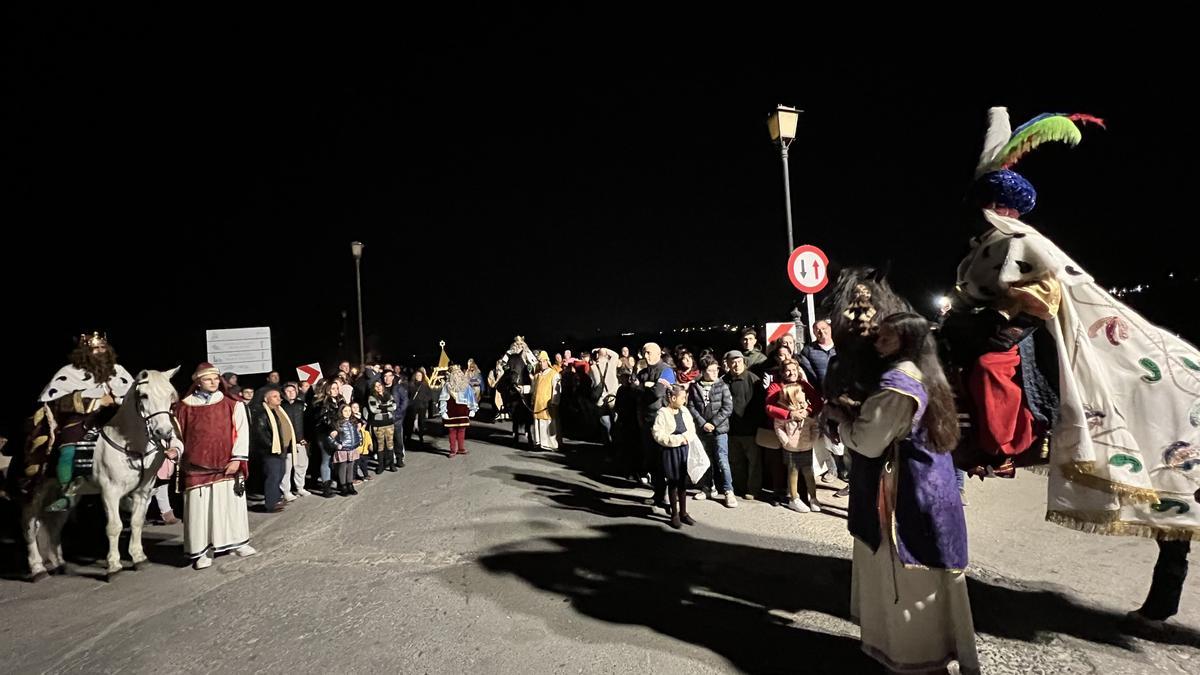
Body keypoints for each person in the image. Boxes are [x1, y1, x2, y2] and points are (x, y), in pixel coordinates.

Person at [825, 313, 977, 674]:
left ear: (906, 341)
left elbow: (869, 440)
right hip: (930, 480)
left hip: (903, 491)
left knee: (907, 578)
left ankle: (913, 658)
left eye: (887, 338)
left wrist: (841, 420)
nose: (878, 343)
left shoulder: (898, 383)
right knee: (929, 576)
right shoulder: (928, 371)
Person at [26, 332, 133, 511]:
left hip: (113, 418)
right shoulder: (69, 372)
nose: (99, 352)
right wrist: (96, 401)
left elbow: (133, 393)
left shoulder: (119, 371)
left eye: (102, 347)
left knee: (135, 444)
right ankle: (66, 493)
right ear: (85, 351)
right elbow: (56, 401)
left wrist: (118, 400)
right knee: (68, 450)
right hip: (80, 420)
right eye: (94, 349)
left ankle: (128, 492)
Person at [176, 363, 257, 570]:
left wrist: (237, 459)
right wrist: (174, 450)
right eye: (207, 379)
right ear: (198, 382)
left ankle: (238, 542)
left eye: (215, 378)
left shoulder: (232, 403)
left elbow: (242, 431)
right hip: (196, 468)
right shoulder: (184, 406)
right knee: (199, 512)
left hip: (226, 465)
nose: (212, 382)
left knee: (230, 507)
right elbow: (177, 435)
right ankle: (201, 551)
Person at [687, 355, 735, 508]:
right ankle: (707, 487)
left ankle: (728, 491)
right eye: (711, 370)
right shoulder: (695, 386)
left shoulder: (722, 386)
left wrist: (713, 423)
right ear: (703, 371)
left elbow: (727, 408)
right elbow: (691, 406)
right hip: (702, 430)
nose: (715, 373)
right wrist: (702, 423)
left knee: (722, 460)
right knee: (705, 460)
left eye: (716, 369)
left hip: (719, 429)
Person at [652, 384, 699, 529]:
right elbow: (658, 434)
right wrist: (676, 440)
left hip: (684, 449)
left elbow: (691, 428)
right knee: (673, 481)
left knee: (683, 482)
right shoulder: (663, 413)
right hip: (671, 451)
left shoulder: (684, 411)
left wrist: (686, 438)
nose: (684, 401)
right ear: (673, 398)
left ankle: (684, 512)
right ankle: (675, 514)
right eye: (682, 398)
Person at [773, 381, 822, 513]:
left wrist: (813, 439)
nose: (804, 393)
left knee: (809, 473)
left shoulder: (808, 410)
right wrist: (785, 441)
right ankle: (794, 498)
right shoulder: (784, 412)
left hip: (806, 446)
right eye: (801, 392)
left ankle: (813, 498)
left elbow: (815, 425)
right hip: (791, 448)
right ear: (793, 396)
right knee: (792, 473)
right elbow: (778, 427)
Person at [637, 343, 676, 508]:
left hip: (662, 422)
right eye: (644, 353)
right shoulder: (642, 372)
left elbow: (658, 392)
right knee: (652, 461)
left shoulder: (666, 370)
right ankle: (658, 493)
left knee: (665, 460)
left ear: (659, 353)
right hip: (646, 421)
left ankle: (670, 496)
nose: (647, 356)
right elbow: (636, 393)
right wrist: (646, 387)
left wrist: (645, 387)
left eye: (650, 353)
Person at [723, 350, 764, 501]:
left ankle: (753, 489)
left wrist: (755, 425)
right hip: (731, 429)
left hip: (750, 430)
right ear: (727, 364)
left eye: (739, 361)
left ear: (744, 362)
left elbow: (760, 406)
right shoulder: (723, 380)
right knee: (736, 461)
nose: (736, 365)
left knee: (754, 462)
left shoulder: (753, 380)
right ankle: (739, 487)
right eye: (732, 362)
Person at [250, 389, 296, 513]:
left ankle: (276, 499)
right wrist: (272, 447)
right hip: (271, 451)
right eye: (274, 396)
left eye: (279, 396)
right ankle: (270, 504)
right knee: (273, 476)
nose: (278, 398)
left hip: (282, 448)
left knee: (280, 474)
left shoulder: (278, 411)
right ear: (266, 399)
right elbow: (260, 434)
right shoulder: (262, 414)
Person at [438, 364, 479, 457]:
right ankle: (453, 450)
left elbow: (471, 398)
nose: (457, 375)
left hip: (463, 412)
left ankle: (461, 448)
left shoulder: (466, 386)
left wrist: (473, 409)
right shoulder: (447, 386)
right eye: (455, 373)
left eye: (459, 373)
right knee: (452, 431)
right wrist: (443, 411)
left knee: (461, 431)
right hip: (451, 411)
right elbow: (443, 399)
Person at [280, 383, 310, 497]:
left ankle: (300, 487)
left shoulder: (302, 405)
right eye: (288, 391)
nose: (291, 393)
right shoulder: (281, 406)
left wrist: (306, 437)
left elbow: (308, 422)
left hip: (300, 441)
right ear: (284, 393)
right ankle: (286, 491)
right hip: (287, 443)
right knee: (287, 468)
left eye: (293, 390)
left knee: (301, 465)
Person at [531, 352, 562, 451]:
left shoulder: (554, 374)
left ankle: (551, 444)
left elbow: (557, 389)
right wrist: (522, 389)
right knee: (538, 423)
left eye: (543, 361)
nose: (541, 363)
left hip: (548, 405)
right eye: (540, 361)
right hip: (537, 405)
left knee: (549, 424)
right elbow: (533, 389)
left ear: (547, 361)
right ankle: (539, 443)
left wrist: (554, 402)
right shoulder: (537, 375)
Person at [367, 380, 399, 473]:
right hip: (378, 424)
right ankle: (381, 465)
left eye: (380, 385)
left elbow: (394, 406)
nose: (379, 387)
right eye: (376, 386)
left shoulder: (389, 395)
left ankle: (391, 464)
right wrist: (386, 407)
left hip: (389, 423)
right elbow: (374, 409)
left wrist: (381, 407)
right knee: (380, 445)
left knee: (390, 444)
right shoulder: (372, 397)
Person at [331, 404, 360, 496]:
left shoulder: (353, 422)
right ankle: (343, 486)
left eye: (349, 411)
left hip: (352, 447)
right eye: (345, 411)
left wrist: (359, 441)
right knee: (343, 466)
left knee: (351, 466)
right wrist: (337, 445)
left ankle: (350, 484)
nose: (348, 413)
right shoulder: (337, 423)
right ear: (341, 412)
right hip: (343, 448)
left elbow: (357, 433)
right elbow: (330, 437)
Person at [406, 369, 434, 447]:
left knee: (421, 421)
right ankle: (408, 436)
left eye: (420, 375)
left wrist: (425, 400)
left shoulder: (425, 385)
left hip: (422, 406)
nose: (418, 377)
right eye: (417, 375)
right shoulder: (410, 385)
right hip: (412, 405)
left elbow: (430, 395)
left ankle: (421, 436)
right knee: (410, 421)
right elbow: (407, 395)